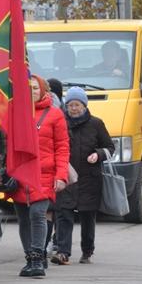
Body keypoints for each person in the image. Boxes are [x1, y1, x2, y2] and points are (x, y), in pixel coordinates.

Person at [6, 75, 69, 277]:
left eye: (34, 88)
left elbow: (62, 148)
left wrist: (61, 175)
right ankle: (29, 258)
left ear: (42, 90)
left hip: (44, 174)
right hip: (20, 175)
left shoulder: (55, 115)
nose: (31, 92)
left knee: (37, 214)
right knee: (23, 218)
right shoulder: (15, 112)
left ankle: (37, 257)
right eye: (27, 88)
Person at [52, 86, 114, 265]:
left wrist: (99, 154)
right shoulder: (61, 122)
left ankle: (87, 251)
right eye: (70, 105)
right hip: (67, 177)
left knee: (87, 216)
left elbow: (110, 147)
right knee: (64, 213)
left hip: (90, 178)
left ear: (84, 105)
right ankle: (63, 252)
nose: (73, 108)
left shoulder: (96, 124)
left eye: (77, 104)